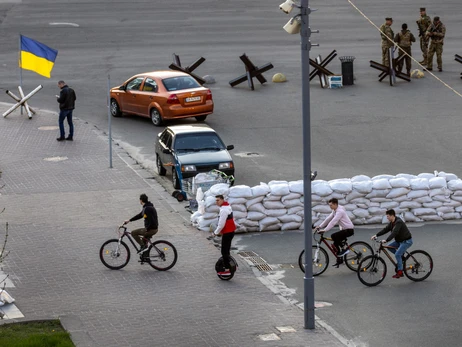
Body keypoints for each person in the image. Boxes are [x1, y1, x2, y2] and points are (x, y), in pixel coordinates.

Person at [371, 209, 413, 279]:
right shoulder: (392, 223)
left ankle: (400, 272)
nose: (387, 218)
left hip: (406, 241)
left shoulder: (398, 222)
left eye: (388, 216)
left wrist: (386, 240)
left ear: (392, 216)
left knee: (397, 254)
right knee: (389, 247)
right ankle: (401, 258)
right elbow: (385, 229)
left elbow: (394, 232)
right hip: (399, 241)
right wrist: (376, 235)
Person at [316, 198, 355, 267]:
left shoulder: (340, 211)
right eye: (329, 205)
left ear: (335, 204)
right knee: (335, 245)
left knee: (333, 236)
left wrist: (325, 230)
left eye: (331, 205)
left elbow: (333, 222)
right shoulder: (335, 210)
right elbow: (328, 219)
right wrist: (320, 226)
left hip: (349, 230)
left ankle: (344, 249)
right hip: (344, 229)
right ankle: (339, 260)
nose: (330, 207)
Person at [124, 194, 158, 260]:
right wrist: (129, 220)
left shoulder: (147, 209)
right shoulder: (147, 207)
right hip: (153, 228)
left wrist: (147, 229)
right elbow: (140, 215)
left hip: (151, 229)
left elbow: (151, 219)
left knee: (133, 233)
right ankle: (145, 256)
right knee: (143, 240)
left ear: (141, 200)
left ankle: (143, 246)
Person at [213, 195, 236, 276]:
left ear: (222, 200)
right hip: (231, 231)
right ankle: (229, 263)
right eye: (216, 200)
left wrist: (215, 232)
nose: (216, 202)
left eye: (218, 200)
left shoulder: (223, 210)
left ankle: (227, 269)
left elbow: (221, 224)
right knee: (227, 250)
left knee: (224, 251)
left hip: (228, 232)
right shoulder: (227, 206)